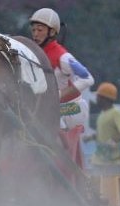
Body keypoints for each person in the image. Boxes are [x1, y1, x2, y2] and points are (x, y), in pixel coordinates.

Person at [29, 8, 95, 169]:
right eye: (33, 30)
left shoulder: (63, 56)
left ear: (52, 32)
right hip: (51, 109)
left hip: (71, 111)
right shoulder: (33, 53)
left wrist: (57, 96)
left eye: (40, 30)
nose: (35, 34)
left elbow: (88, 78)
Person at [84, 82, 120, 174]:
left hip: (113, 162)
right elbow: (102, 133)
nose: (96, 99)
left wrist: (112, 140)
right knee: (98, 186)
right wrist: (91, 137)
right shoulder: (102, 114)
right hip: (100, 159)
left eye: (98, 96)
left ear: (105, 98)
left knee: (112, 187)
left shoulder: (116, 113)